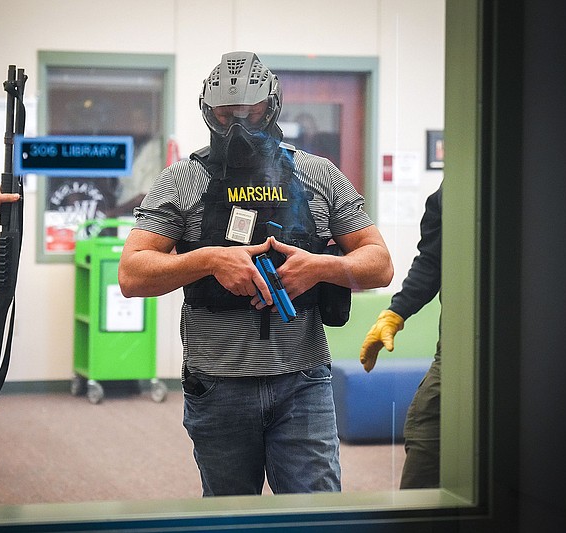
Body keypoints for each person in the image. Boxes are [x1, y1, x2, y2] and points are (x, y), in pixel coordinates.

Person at [118, 51, 393, 496]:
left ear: (273, 106)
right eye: (226, 117)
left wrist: (321, 267)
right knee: (228, 515)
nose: (239, 129)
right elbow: (132, 274)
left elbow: (379, 264)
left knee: (315, 515)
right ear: (208, 113)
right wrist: (209, 259)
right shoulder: (182, 180)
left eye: (251, 114)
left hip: (302, 383)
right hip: (217, 385)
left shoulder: (317, 173)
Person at [359, 183, 442, 488]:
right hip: (457, 348)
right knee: (427, 442)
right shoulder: (451, 191)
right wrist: (395, 314)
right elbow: (432, 262)